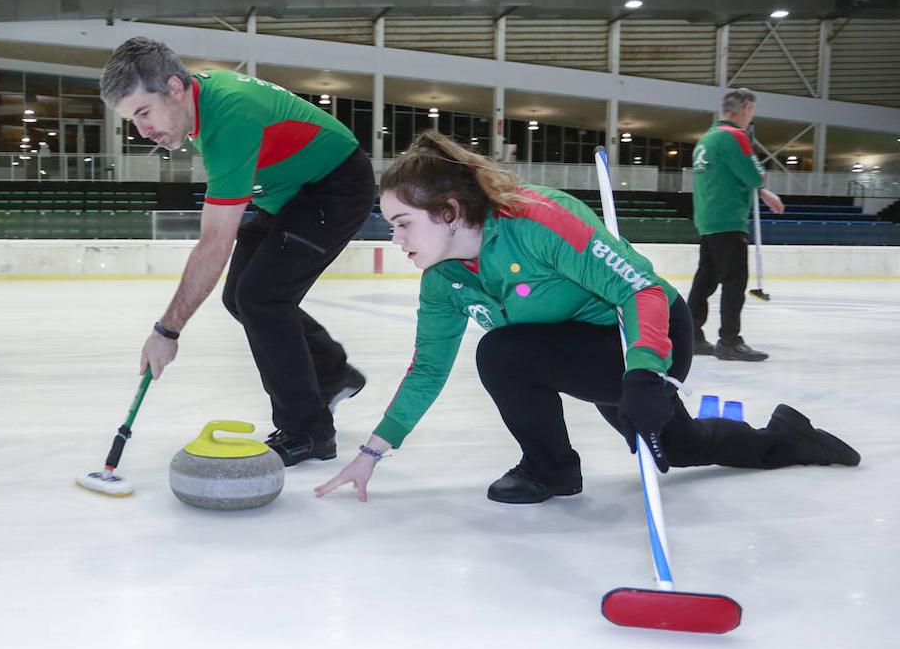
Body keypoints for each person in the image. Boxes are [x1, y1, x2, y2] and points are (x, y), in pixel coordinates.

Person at [315, 131, 858, 504]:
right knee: (514, 358)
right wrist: (372, 452)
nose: (396, 238)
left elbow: (640, 289)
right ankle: (553, 467)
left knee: (667, 441)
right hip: (580, 349)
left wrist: (645, 372)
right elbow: (427, 370)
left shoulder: (538, 222)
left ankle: (790, 440)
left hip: (646, 331)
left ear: (450, 213)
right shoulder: (444, 281)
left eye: (403, 223)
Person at [100, 37, 375, 466]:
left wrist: (167, 330)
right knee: (241, 298)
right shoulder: (200, 106)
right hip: (287, 194)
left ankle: (308, 432)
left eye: (143, 113)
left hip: (334, 187)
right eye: (131, 120)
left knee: (262, 297)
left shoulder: (230, 115)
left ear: (174, 88)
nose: (142, 131)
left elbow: (214, 244)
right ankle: (332, 373)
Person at [687, 88, 785, 361]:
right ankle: (730, 340)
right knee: (734, 280)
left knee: (705, 280)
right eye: (751, 110)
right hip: (729, 219)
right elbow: (753, 174)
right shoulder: (736, 137)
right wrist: (763, 185)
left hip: (708, 218)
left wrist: (762, 192)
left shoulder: (706, 139)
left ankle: (691, 335)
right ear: (745, 108)